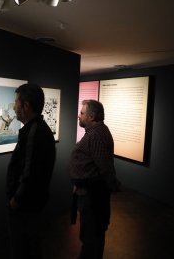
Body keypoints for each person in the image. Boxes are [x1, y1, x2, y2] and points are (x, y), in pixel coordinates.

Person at [6, 83, 56, 259]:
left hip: (26, 207)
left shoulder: (34, 132)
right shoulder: (38, 130)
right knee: (30, 247)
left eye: (16, 102)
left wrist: (16, 199)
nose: (14, 107)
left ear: (25, 105)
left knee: (23, 249)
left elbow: (30, 172)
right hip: (32, 204)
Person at [69, 99, 119, 259]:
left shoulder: (96, 135)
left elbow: (104, 167)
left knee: (92, 237)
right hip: (89, 194)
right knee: (92, 236)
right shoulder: (95, 132)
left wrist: (110, 185)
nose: (79, 116)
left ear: (91, 117)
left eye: (82, 113)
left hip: (93, 198)